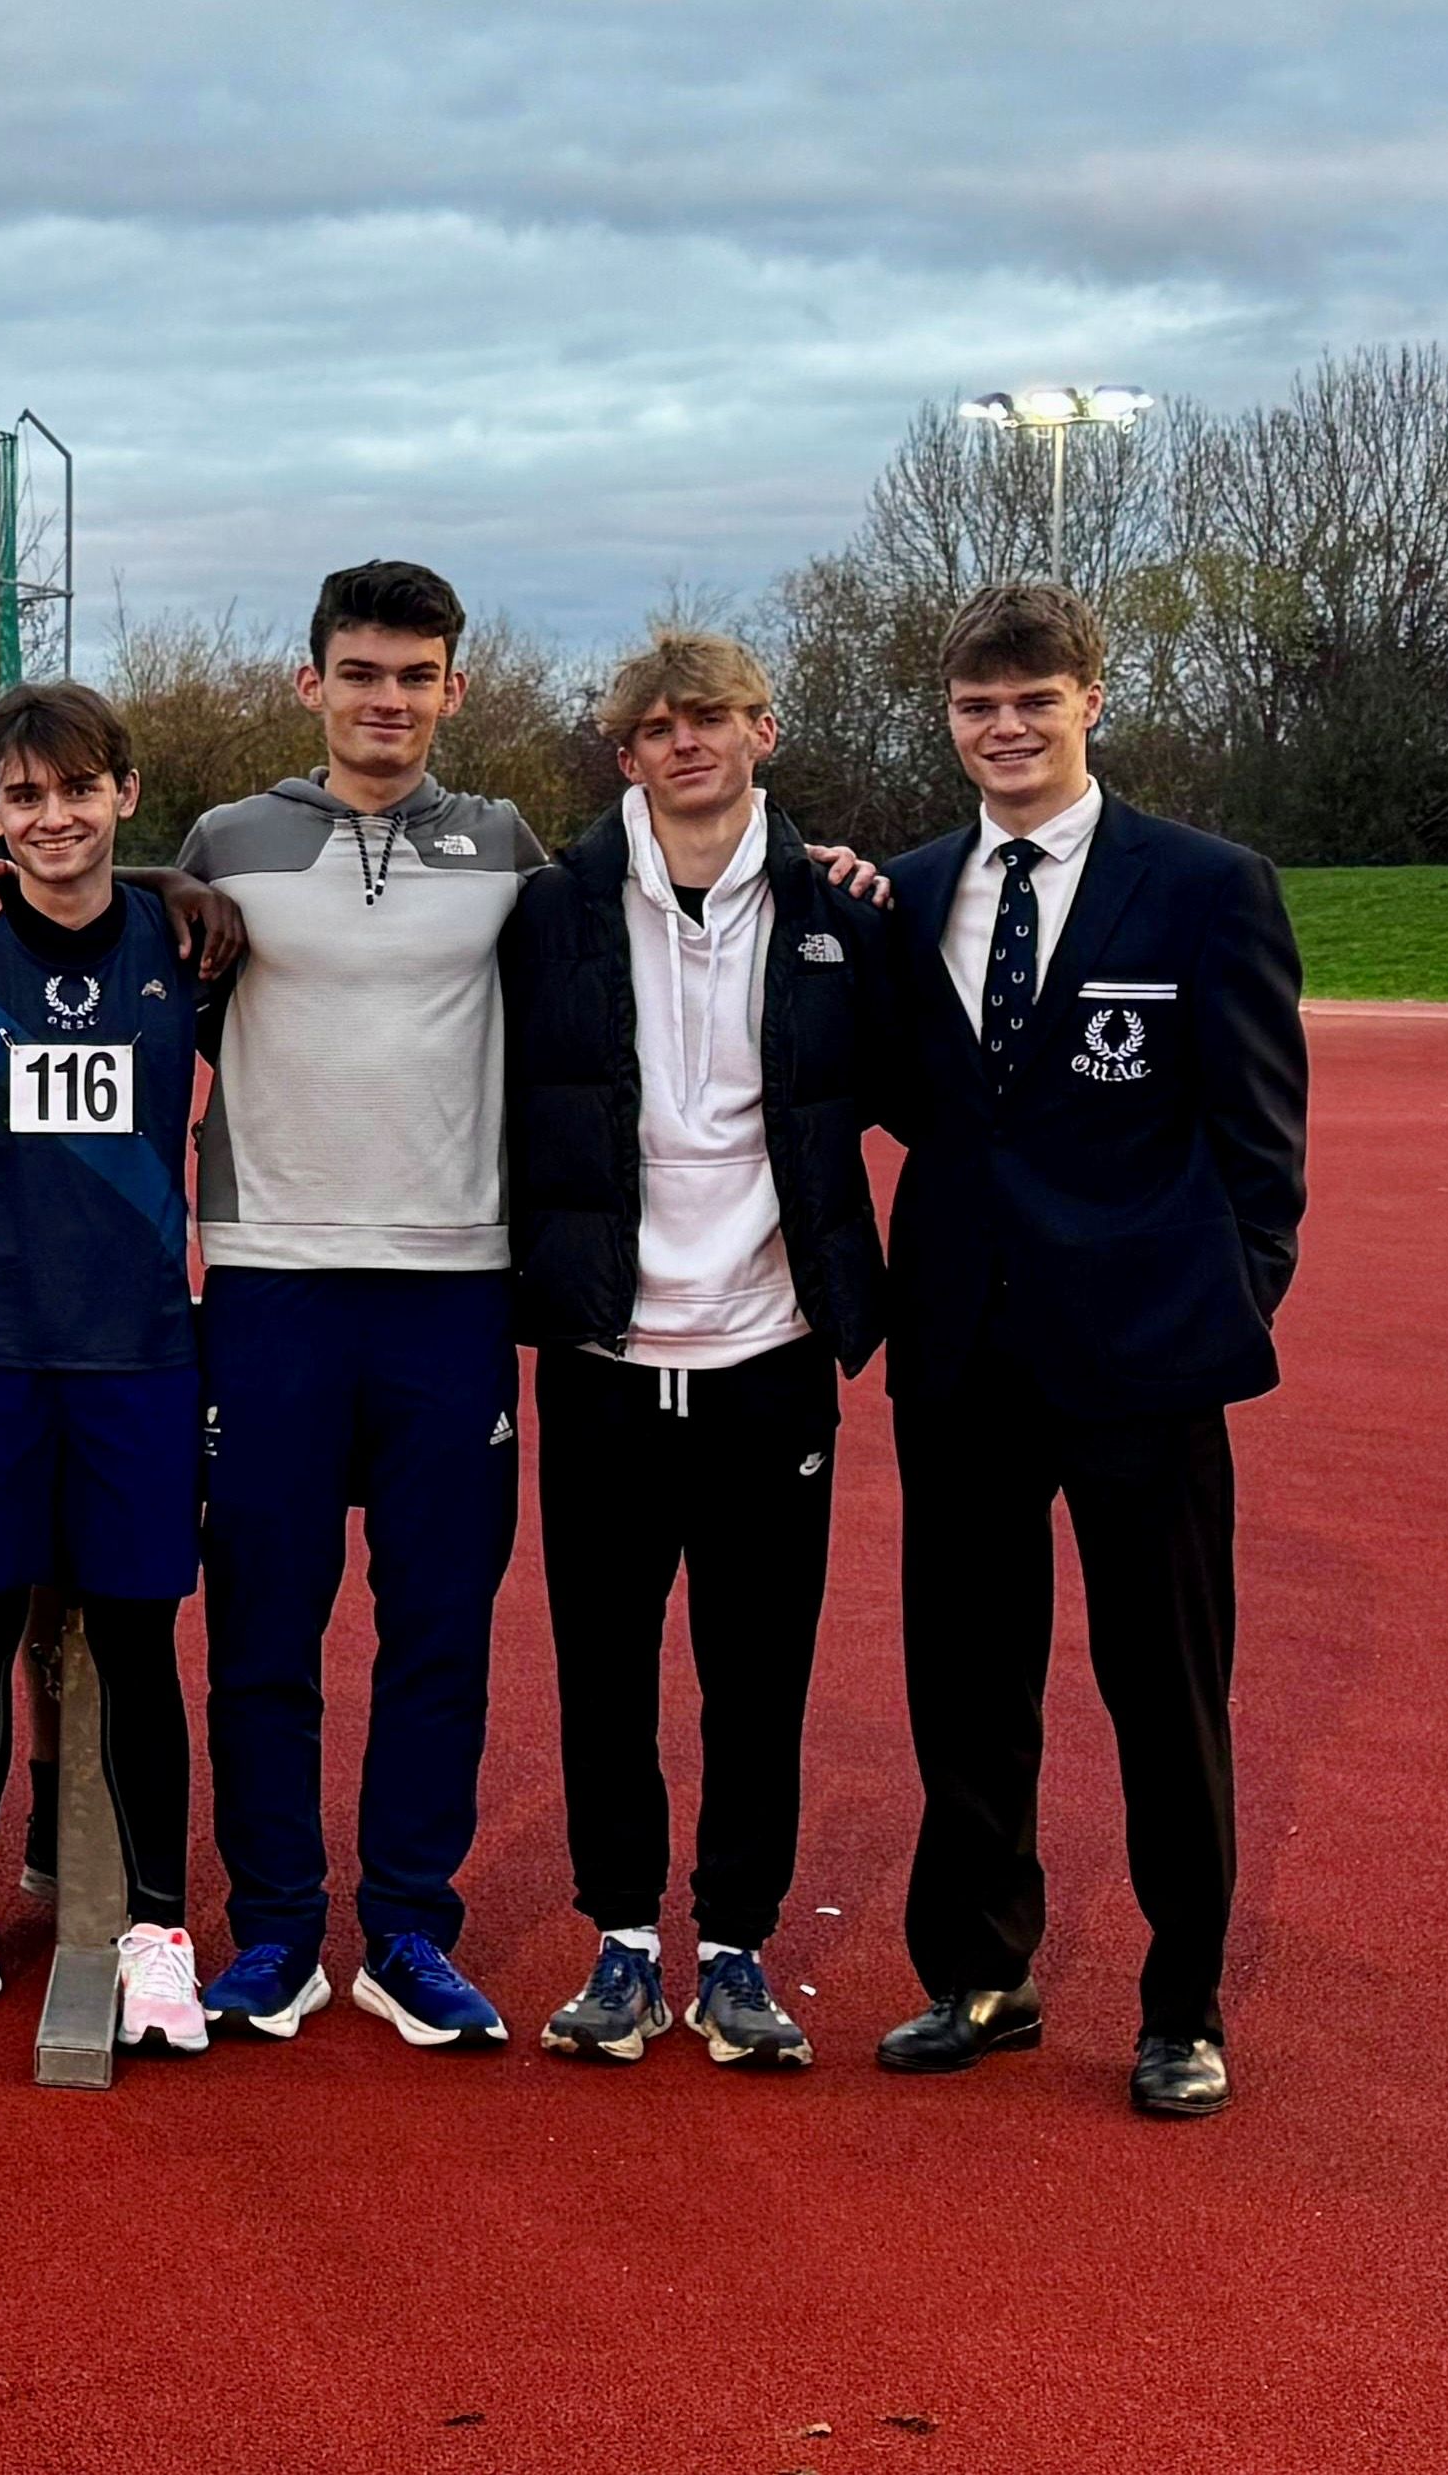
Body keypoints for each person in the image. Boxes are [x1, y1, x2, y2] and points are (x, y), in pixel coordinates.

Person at [861, 583, 1304, 2123]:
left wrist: (1223, 1309)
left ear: (1091, 702)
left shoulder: (1207, 888)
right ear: (950, 719)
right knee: (967, 1683)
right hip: (961, 1354)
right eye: (979, 706)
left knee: (1163, 1691)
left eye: (1034, 700)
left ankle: (1183, 2005)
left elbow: (1263, 1143)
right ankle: (981, 1975)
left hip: (1144, 1364)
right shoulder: (907, 895)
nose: (1007, 728)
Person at [498, 632, 891, 2070]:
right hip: (606, 1360)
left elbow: (913, 1091)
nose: (688, 741)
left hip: (770, 1360)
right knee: (604, 1671)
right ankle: (621, 1944)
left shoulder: (843, 908)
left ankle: (736, 1949)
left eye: (713, 717)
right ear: (626, 754)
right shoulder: (550, 910)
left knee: (758, 1675)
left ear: (762, 730)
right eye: (658, 725)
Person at [172, 560, 543, 2049]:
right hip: (270, 1284)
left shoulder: (507, 847)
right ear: (310, 682)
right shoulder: (227, 842)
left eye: (415, 676)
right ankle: (274, 1931)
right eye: (361, 673)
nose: (387, 700)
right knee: (263, 1629)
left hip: (454, 1291)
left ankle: (406, 1930)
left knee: (438, 1630)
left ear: (454, 688)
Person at [0, 684, 215, 2055]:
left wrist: (173, 880)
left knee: (134, 1640)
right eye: (22, 796)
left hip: (136, 1351)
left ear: (125, 793)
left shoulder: (187, 940)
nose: (52, 817)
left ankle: (158, 1931)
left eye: (78, 789)